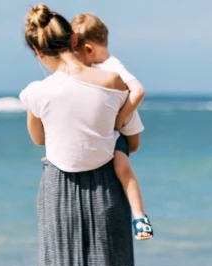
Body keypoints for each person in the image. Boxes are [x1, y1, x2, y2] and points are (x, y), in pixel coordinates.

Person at [19, 3, 149, 266]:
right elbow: (132, 141)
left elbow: (39, 138)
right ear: (74, 40)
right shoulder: (113, 83)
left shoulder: (37, 92)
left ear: (39, 52)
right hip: (106, 192)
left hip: (58, 194)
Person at [71, 12, 152, 240]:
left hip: (119, 129)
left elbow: (138, 91)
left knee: (122, 166)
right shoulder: (97, 66)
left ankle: (140, 217)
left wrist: (119, 118)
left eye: (76, 55)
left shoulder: (111, 66)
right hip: (106, 128)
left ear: (88, 49)